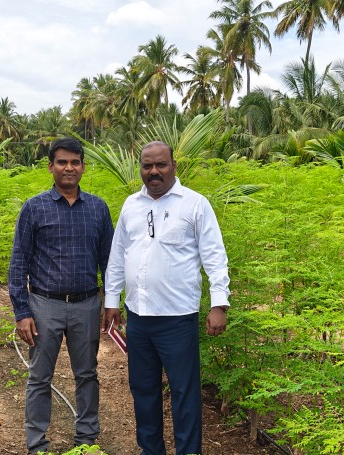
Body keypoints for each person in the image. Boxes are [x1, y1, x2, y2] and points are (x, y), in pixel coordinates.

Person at [102, 140, 230, 455]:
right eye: (148, 166)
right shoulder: (131, 205)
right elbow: (118, 255)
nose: (154, 171)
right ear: (141, 169)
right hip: (139, 319)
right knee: (143, 392)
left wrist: (218, 303)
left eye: (161, 164)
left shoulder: (195, 204)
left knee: (185, 394)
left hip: (178, 319)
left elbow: (214, 256)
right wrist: (112, 301)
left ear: (174, 165)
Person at [8, 137, 114, 454]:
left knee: (87, 375)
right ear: (51, 166)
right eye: (62, 162)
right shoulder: (34, 207)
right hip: (44, 305)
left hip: (86, 305)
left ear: (82, 166)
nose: (69, 168)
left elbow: (109, 261)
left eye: (75, 162)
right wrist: (21, 312)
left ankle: (86, 441)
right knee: (40, 378)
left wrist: (111, 302)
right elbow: (18, 263)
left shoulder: (98, 208)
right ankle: (36, 445)